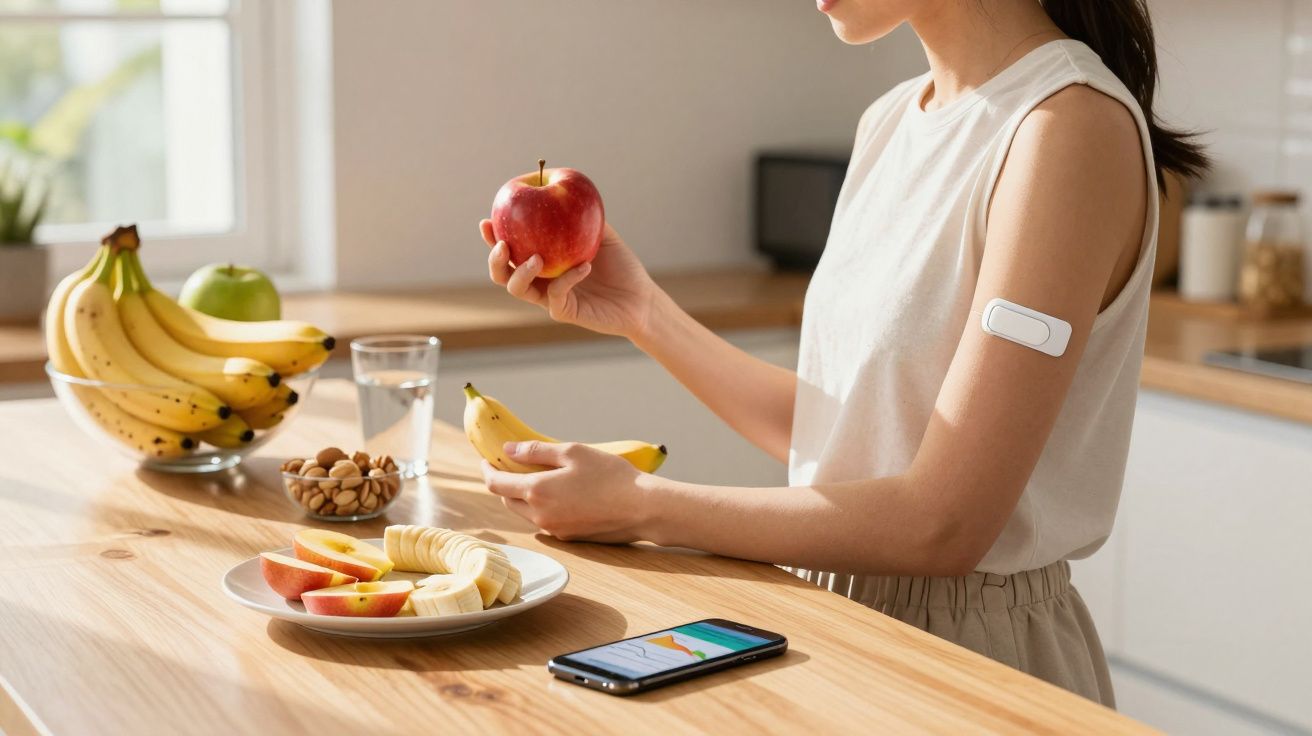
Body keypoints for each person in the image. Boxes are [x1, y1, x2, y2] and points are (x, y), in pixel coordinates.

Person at [476, 0, 1206, 706]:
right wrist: (643, 313)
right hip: (829, 623)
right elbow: (844, 433)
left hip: (973, 656)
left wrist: (640, 506)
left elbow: (944, 523)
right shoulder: (891, 120)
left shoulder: (1067, 130)